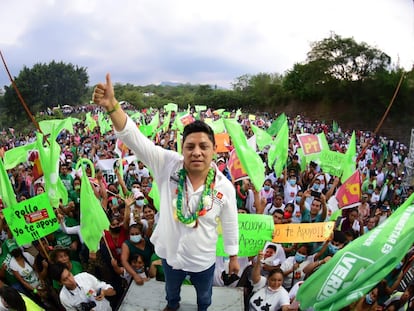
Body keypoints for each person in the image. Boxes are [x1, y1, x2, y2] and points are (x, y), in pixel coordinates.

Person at [93, 74, 239, 311]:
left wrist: (233, 257)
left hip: (202, 260)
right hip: (169, 255)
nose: (197, 152)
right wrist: (112, 107)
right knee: (171, 292)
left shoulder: (224, 188)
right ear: (182, 149)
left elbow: (230, 223)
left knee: (204, 297)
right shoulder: (168, 164)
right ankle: (173, 305)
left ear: (214, 150)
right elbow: (136, 140)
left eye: (204, 146)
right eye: (190, 146)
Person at [48, 262, 116, 311]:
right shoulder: (64, 297)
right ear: (60, 282)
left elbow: (113, 292)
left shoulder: (85, 277)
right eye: (65, 279)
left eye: (69, 275)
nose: (71, 280)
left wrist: (104, 292)